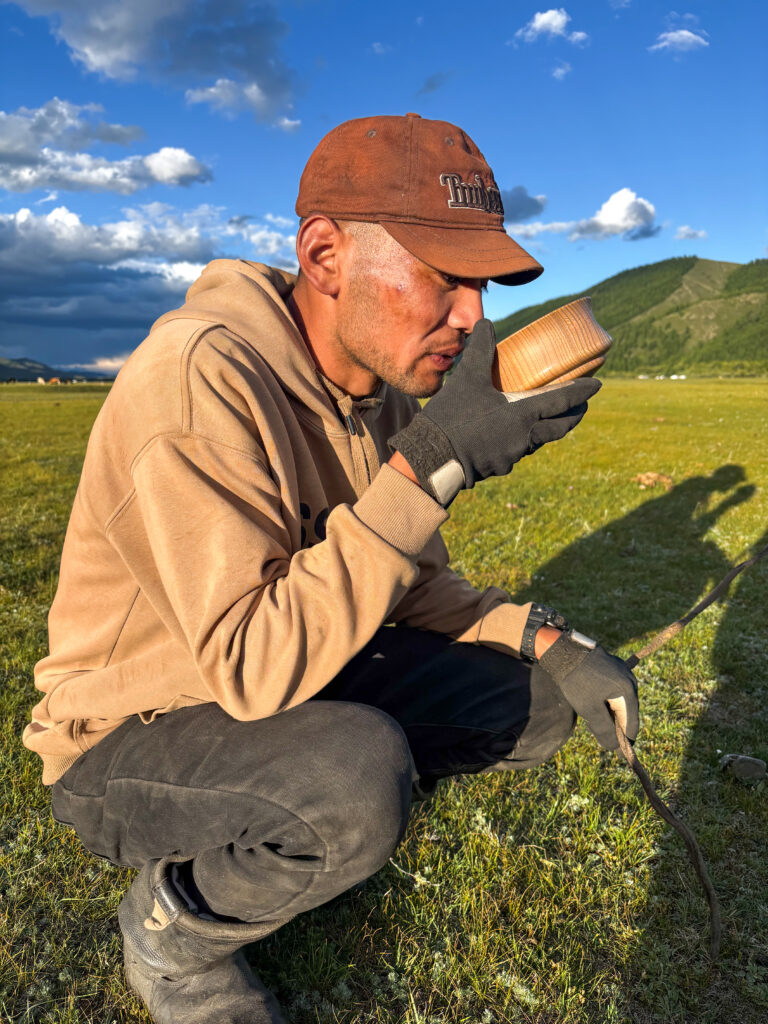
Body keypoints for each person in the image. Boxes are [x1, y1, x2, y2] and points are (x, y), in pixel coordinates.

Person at [23, 113, 639, 1024]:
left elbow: (410, 580)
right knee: (352, 776)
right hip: (129, 730)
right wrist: (434, 462)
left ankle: (340, 795)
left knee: (534, 702)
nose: (472, 317)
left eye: (480, 284)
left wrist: (544, 638)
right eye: (443, 278)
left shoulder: (378, 389)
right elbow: (246, 664)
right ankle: (174, 929)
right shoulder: (197, 378)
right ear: (324, 256)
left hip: (291, 673)